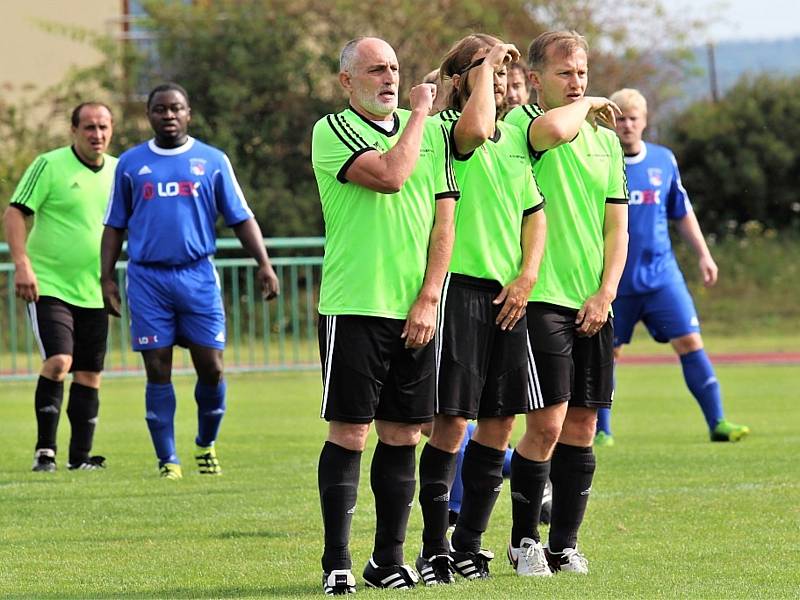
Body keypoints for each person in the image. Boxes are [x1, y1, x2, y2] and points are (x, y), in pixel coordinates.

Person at [311, 37, 458, 594]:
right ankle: (337, 563)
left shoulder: (434, 137)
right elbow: (394, 174)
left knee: (403, 435)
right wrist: (420, 112)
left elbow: (445, 225)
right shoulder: (334, 130)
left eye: (394, 68)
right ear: (347, 81)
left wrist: (428, 297)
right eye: (376, 69)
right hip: (355, 306)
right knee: (350, 432)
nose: (389, 78)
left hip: (416, 309)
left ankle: (387, 560)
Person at [415, 34, 548, 585]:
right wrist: (489, 56)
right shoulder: (449, 134)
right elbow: (471, 128)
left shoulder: (512, 141)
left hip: (508, 294)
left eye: (502, 76)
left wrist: (527, 276)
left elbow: (534, 215)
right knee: (452, 423)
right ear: (459, 79)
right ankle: (433, 547)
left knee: (499, 422)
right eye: (488, 73)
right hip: (460, 292)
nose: (499, 81)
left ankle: (470, 544)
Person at [101, 83, 279, 481]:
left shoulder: (211, 161)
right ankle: (168, 460)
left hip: (197, 275)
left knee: (211, 368)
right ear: (148, 115)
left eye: (175, 108)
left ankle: (205, 444)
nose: (168, 115)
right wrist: (107, 278)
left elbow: (240, 217)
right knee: (157, 368)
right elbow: (114, 225)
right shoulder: (130, 164)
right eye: (160, 109)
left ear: (188, 113)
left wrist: (264, 264)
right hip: (147, 278)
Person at [504, 30, 628, 575]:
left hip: (592, 302)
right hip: (541, 299)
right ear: (536, 80)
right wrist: (595, 104)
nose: (577, 83)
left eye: (582, 73)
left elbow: (616, 225)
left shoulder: (605, 141)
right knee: (546, 425)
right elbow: (555, 128)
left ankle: (564, 544)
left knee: (582, 426)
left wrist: (607, 291)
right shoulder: (521, 125)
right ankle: (523, 540)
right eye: (564, 74)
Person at [594, 88, 750, 446]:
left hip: (663, 277)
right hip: (615, 281)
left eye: (633, 118)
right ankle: (603, 430)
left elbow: (682, 212)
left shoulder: (664, 161)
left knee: (690, 341)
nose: (627, 125)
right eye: (620, 118)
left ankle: (718, 422)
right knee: (607, 354)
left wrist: (704, 254)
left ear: (645, 121)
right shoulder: (602, 160)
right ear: (610, 121)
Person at [3, 102, 117, 472]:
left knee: (89, 373)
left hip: (95, 288)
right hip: (49, 283)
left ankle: (81, 458)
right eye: (88, 127)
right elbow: (16, 212)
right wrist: (23, 265)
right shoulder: (49, 165)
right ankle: (45, 452)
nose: (96, 134)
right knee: (59, 362)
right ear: (73, 130)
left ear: (111, 130)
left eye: (103, 127)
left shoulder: (120, 171)